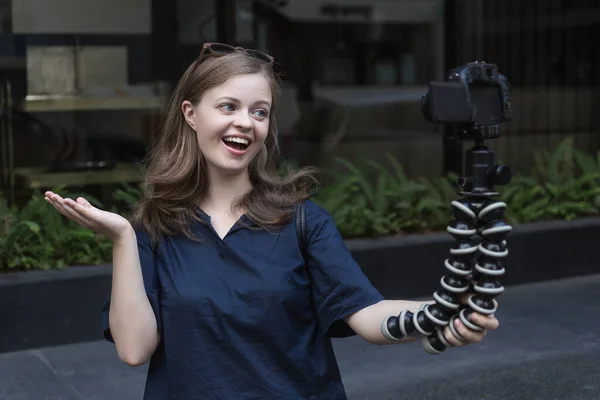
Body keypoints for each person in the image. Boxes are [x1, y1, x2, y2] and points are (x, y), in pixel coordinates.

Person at [45, 43, 500, 400]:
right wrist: (123, 238)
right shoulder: (153, 229)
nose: (245, 123)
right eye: (228, 107)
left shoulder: (302, 221)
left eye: (259, 112)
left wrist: (436, 318)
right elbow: (133, 350)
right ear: (190, 114)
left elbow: (367, 315)